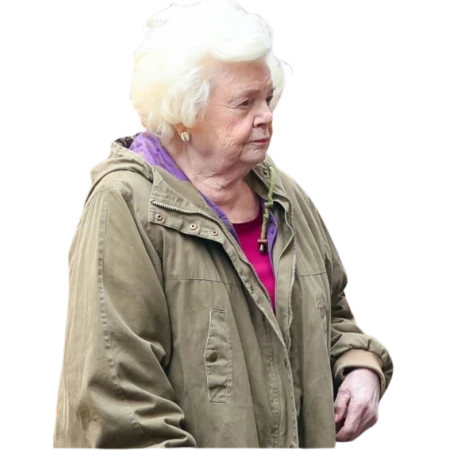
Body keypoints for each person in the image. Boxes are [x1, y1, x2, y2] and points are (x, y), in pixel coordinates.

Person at [53, 0, 393, 448]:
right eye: (244, 103)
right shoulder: (125, 205)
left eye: (267, 98)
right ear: (186, 112)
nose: (266, 115)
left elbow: (330, 313)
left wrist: (361, 366)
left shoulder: (285, 197)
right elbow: (119, 398)